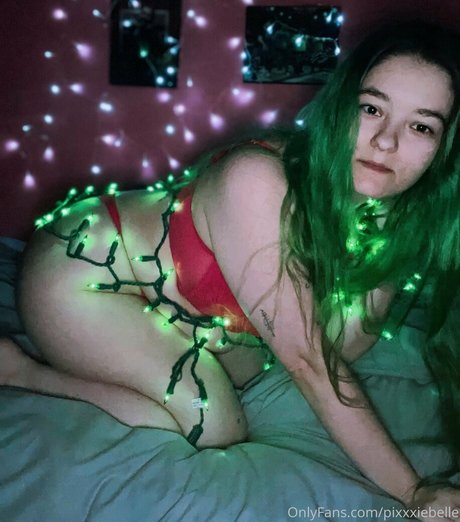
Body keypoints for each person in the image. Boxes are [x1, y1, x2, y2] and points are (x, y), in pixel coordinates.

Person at [1, 20, 460, 521]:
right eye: (370, 108)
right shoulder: (257, 179)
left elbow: (344, 345)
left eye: (421, 127)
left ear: (443, 149)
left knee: (231, 386)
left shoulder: (377, 215)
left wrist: (388, 238)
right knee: (215, 426)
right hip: (84, 272)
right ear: (339, 108)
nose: (386, 142)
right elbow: (309, 361)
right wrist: (413, 491)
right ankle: (21, 371)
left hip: (181, 314)